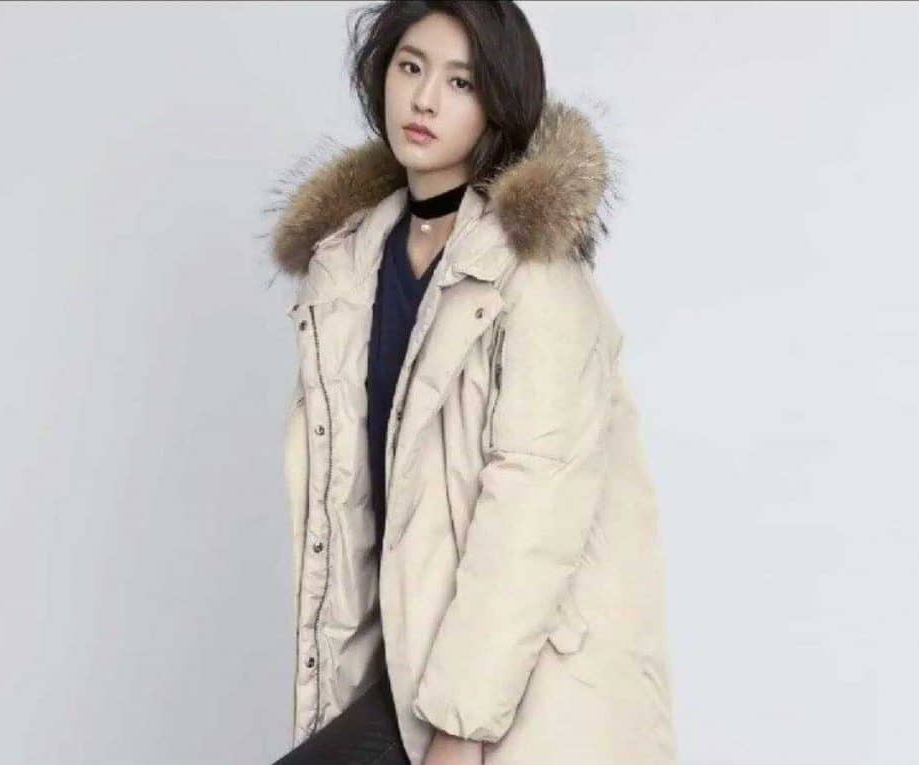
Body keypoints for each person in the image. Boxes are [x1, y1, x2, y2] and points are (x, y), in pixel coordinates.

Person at [266, 2, 676, 763]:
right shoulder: (348, 266)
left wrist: (460, 728)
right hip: (402, 669)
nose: (424, 99)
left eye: (461, 82)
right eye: (410, 67)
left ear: (497, 105)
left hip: (520, 689)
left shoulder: (534, 275)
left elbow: (534, 507)